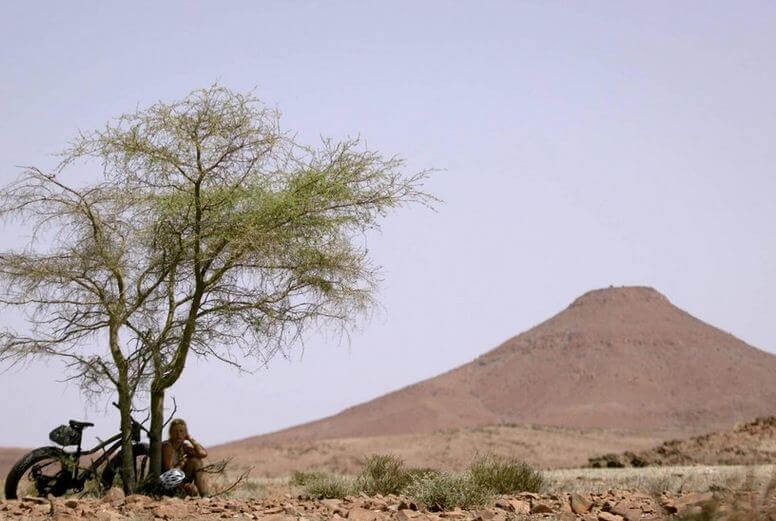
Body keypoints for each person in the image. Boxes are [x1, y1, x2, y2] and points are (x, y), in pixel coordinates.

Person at [161, 418, 210, 497]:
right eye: (175, 431)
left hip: (180, 481)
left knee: (196, 461)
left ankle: (205, 496)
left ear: (185, 433)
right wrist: (185, 486)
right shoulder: (167, 446)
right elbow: (169, 473)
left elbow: (203, 454)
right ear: (170, 433)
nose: (178, 434)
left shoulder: (184, 446)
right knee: (191, 461)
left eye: (181, 431)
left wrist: (191, 439)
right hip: (167, 483)